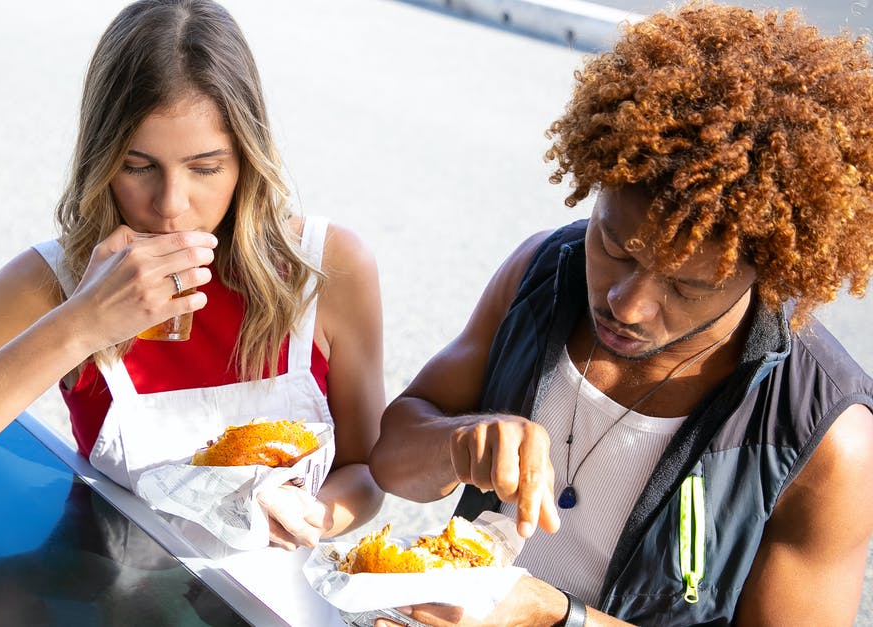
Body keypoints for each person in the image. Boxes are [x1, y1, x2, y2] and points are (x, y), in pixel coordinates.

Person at [370, 3, 873, 626]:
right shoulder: (542, 272)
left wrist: (555, 617)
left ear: (772, 270)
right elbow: (391, 457)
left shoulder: (826, 440)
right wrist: (456, 443)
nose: (625, 305)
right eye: (613, 247)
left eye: (687, 288)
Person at [0, 0, 385, 554]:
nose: (171, 205)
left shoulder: (325, 266)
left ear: (249, 158)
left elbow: (366, 470)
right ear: (100, 160)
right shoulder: (49, 283)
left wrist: (307, 511)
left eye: (205, 167)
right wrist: (78, 325)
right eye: (137, 165)